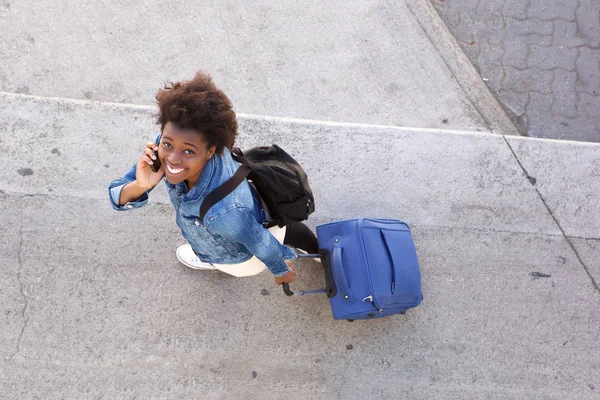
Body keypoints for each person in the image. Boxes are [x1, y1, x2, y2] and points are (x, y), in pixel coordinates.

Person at [108, 71, 318, 285]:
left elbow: (261, 243)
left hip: (237, 258)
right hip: (252, 211)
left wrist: (280, 269)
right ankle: (318, 250)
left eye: (188, 151)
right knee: (287, 230)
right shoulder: (185, 139)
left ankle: (212, 258)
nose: (172, 158)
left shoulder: (223, 214)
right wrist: (140, 185)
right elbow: (117, 194)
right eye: (167, 144)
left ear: (210, 151)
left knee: (246, 241)